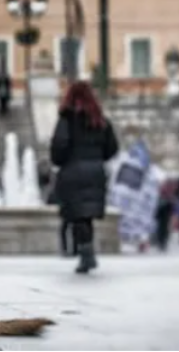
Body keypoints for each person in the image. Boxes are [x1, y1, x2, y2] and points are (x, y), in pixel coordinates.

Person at [50, 81, 119, 274]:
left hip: (72, 172)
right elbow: (112, 148)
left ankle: (86, 254)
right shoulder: (100, 121)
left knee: (78, 215)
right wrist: (97, 159)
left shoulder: (67, 119)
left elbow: (59, 147)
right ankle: (86, 253)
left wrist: (60, 161)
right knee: (85, 216)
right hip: (95, 172)